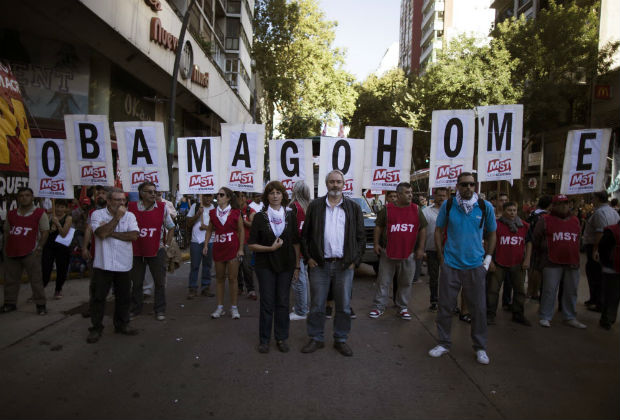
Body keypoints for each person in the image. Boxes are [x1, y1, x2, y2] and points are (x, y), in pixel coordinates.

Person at [428, 172, 496, 365]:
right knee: (445, 307)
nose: (468, 188)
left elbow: (492, 233)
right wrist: (442, 258)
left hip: (475, 266)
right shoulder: (449, 206)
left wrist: (487, 259)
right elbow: (439, 231)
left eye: (472, 185)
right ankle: (443, 343)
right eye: (464, 184)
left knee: (478, 309)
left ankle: (480, 347)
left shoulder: (484, 207)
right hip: (451, 264)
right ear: (457, 186)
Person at [300, 170, 365, 357]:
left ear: (344, 184)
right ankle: (316, 338)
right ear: (326, 184)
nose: (335, 185)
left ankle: (341, 339)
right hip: (319, 265)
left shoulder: (353, 208)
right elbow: (305, 236)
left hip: (344, 266)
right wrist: (309, 258)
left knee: (344, 306)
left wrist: (355, 261)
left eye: (338, 182)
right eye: (331, 182)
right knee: (317, 305)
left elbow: (360, 238)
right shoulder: (315, 206)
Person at [248, 181, 300, 353]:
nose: (275, 195)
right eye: (271, 193)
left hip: (286, 264)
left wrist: (297, 267)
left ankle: (281, 337)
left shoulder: (291, 215)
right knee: (267, 302)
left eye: (278, 192)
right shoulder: (260, 217)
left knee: (283, 302)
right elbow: (252, 245)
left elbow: (295, 242)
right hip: (265, 265)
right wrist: (270, 248)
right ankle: (264, 340)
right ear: (267, 196)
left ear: (283, 195)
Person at [87, 188, 139, 343]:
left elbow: (133, 235)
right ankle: (96, 328)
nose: (122, 203)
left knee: (124, 297)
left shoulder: (130, 216)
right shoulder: (97, 215)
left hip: (123, 264)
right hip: (103, 264)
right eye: (118, 200)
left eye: (123, 200)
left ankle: (122, 324)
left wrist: (111, 232)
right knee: (98, 297)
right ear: (109, 201)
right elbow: (101, 234)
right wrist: (116, 218)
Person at [370, 182, 427, 320]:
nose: (410, 195)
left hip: (409, 253)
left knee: (406, 282)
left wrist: (420, 248)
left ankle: (402, 307)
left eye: (411, 193)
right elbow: (378, 227)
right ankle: (379, 307)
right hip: (388, 252)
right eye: (407, 193)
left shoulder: (416, 209)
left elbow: (423, 228)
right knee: (383, 281)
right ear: (399, 194)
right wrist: (376, 244)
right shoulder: (387, 209)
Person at [532, 194, 587, 329]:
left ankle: (570, 316)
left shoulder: (575, 220)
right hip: (551, 262)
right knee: (549, 290)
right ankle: (545, 315)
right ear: (554, 206)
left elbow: (578, 239)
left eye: (566, 203)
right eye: (561, 203)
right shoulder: (545, 220)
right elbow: (536, 240)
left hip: (572, 261)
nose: (564, 206)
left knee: (571, 290)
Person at [128, 182, 175, 321]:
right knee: (136, 282)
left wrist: (166, 246)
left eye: (154, 191)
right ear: (141, 193)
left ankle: (160, 310)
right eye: (149, 192)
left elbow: (171, 227)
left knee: (159, 282)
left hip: (156, 251)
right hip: (137, 251)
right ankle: (136, 309)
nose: (153, 194)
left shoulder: (162, 208)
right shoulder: (131, 208)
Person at [1, 187, 49, 315]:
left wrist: (39, 248)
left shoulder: (39, 213)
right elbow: (7, 232)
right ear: (18, 198)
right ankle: (9, 303)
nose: (24, 198)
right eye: (21, 195)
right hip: (11, 251)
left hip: (31, 252)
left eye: (27, 195)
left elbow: (45, 232)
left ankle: (40, 305)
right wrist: (5, 248)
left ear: (32, 198)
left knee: (36, 280)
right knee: (10, 279)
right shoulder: (11, 214)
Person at [487, 201, 532, 326]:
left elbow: (529, 243)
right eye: (509, 210)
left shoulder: (524, 226)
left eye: (514, 210)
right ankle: (490, 314)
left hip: (518, 263)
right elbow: (489, 242)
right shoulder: (495, 225)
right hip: (499, 262)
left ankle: (518, 314)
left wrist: (527, 259)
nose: (512, 213)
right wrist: (489, 259)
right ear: (504, 211)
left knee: (520, 290)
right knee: (493, 290)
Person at [203, 187, 244, 319]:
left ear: (228, 198)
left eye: (221, 195)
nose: (218, 197)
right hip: (218, 248)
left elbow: (241, 231)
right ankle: (220, 307)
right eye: (218, 195)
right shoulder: (213, 213)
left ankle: (234, 308)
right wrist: (205, 245)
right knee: (220, 279)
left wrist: (241, 248)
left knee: (233, 279)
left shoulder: (236, 212)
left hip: (232, 248)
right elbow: (209, 230)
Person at [582, 191, 620, 312]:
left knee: (595, 275)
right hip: (608, 247)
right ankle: (595, 299)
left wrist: (595, 250)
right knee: (598, 275)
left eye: (593, 198)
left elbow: (599, 232)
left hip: (597, 246)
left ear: (598, 199)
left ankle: (598, 301)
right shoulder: (614, 212)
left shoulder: (600, 213)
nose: (592, 200)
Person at [41, 199, 73, 299]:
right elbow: (43, 230)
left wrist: (58, 224)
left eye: (62, 207)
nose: (59, 209)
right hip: (49, 246)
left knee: (61, 269)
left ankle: (58, 289)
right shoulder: (49, 215)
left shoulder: (68, 218)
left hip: (62, 247)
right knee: (45, 268)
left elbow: (64, 233)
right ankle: (39, 291)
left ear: (66, 209)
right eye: (57, 206)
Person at [422, 187, 448, 312]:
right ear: (434, 196)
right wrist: (421, 250)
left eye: (444, 195)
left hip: (449, 250)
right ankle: (434, 300)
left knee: (448, 277)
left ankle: (448, 301)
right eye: (439, 195)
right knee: (434, 277)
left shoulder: (451, 211)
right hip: (431, 249)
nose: (441, 198)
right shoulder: (426, 211)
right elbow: (422, 231)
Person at [289, 181, 311, 320]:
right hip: (306, 247)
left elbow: (290, 230)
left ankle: (301, 310)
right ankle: (303, 306)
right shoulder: (309, 206)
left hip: (296, 247)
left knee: (298, 279)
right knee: (304, 278)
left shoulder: (293, 206)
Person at [186, 194, 215, 298]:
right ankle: (192, 288)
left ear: (212, 197)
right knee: (194, 265)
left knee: (207, 266)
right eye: (205, 196)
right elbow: (188, 223)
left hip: (210, 241)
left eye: (209, 196)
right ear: (201, 197)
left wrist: (206, 227)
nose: (207, 198)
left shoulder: (215, 208)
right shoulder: (196, 206)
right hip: (196, 241)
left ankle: (205, 287)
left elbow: (219, 226)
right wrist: (198, 214)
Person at [594, 219, 620, 330]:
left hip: (612, 266)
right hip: (612, 268)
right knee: (611, 295)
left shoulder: (611, 230)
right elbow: (603, 247)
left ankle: (608, 318)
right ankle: (606, 319)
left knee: (612, 295)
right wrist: (606, 263)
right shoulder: (612, 230)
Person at [526, 195, 552, 300]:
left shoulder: (533, 213)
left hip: (531, 244)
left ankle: (530, 290)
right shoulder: (544, 217)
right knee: (537, 270)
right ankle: (534, 291)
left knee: (532, 268)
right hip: (538, 246)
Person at [238, 191, 257, 299]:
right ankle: (239, 287)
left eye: (241, 196)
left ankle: (251, 289)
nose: (239, 199)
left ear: (245, 198)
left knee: (247, 266)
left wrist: (243, 220)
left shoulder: (250, 210)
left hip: (247, 242)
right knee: (236, 267)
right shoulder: (234, 210)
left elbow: (252, 225)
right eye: (238, 197)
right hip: (236, 241)